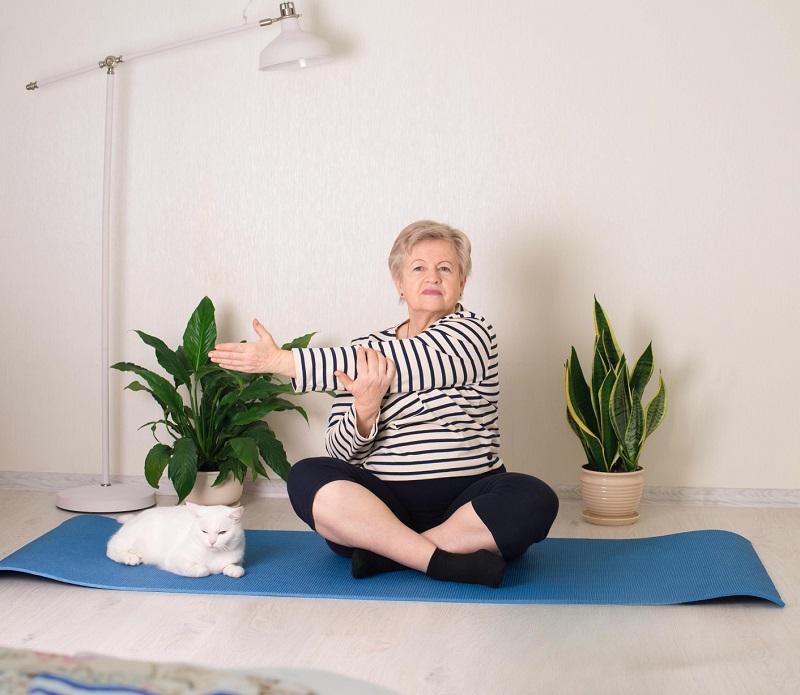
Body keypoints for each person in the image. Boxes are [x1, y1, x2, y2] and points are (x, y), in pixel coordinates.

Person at [208, 220, 559, 587]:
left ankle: (389, 555)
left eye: (445, 268)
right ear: (399, 283)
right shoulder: (364, 348)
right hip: (384, 506)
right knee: (306, 475)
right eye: (419, 268)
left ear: (462, 282)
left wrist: (279, 361)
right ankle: (440, 559)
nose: (433, 277)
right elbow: (341, 452)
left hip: (467, 504)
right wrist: (365, 410)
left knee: (534, 499)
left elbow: (405, 361)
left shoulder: (473, 333)